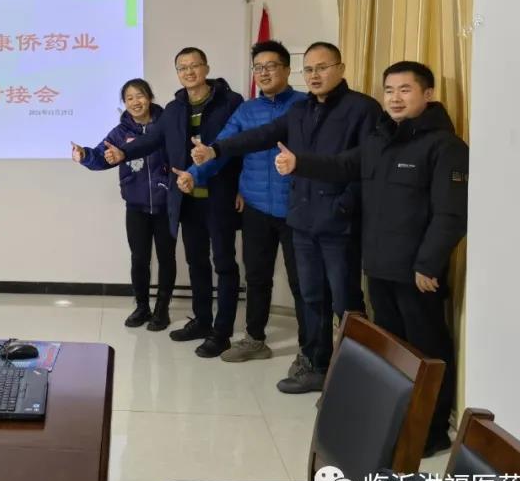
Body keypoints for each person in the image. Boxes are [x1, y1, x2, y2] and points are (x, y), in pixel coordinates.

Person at [274, 61, 467, 455]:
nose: (395, 98)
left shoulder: (445, 146)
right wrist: (299, 163)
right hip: (379, 267)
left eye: (405, 90)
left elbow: (451, 214)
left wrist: (428, 264)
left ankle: (431, 432)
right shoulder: (381, 139)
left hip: (416, 274)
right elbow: (343, 164)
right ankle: (397, 423)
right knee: (393, 352)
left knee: (427, 351)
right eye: (389, 90)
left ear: (428, 94)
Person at [185, 42, 381, 392]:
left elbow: (364, 163)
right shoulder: (302, 109)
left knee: (345, 300)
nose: (315, 75)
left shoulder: (362, 108)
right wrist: (214, 150)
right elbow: (259, 136)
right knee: (311, 295)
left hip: (336, 221)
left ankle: (358, 378)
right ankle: (314, 363)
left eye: (322, 67)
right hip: (299, 217)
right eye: (310, 69)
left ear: (340, 68)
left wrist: (344, 204)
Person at [104, 48, 243, 358]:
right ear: (177, 73)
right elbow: (152, 139)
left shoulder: (230, 102)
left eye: (194, 65)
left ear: (206, 68)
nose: (189, 71)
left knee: (224, 264)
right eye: (182, 67)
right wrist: (124, 152)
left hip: (219, 197)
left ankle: (222, 332)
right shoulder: (175, 108)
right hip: (188, 199)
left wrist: (242, 187)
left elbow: (239, 147)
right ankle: (202, 321)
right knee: (196, 263)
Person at [176, 40, 307, 364]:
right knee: (257, 278)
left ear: (287, 69)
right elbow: (221, 149)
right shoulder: (246, 110)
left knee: (302, 282)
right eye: (258, 68)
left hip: (298, 208)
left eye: (271, 66)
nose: (264, 73)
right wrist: (194, 173)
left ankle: (310, 349)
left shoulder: (304, 106)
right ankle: (254, 339)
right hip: (256, 209)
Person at [71, 78, 175, 330]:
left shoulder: (167, 125)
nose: (135, 102)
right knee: (139, 259)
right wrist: (85, 155)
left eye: (140, 96)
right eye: (129, 98)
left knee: (166, 258)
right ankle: (142, 307)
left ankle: (162, 310)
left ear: (149, 97)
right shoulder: (120, 132)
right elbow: (102, 156)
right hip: (136, 206)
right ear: (124, 103)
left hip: (165, 204)